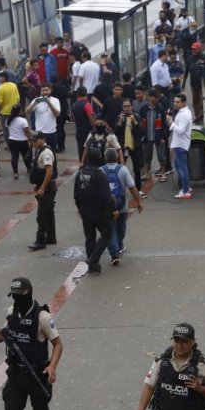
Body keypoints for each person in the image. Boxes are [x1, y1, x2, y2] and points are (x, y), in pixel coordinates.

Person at [0, 277, 63, 410]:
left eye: (20, 295)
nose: (17, 300)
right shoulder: (11, 313)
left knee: (40, 409)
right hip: (16, 373)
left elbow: (58, 344)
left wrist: (52, 367)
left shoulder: (43, 317)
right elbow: (4, 334)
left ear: (29, 292)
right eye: (14, 296)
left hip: (37, 372)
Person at [74, 146, 118, 275]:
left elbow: (76, 194)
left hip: (85, 210)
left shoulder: (80, 173)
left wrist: (79, 208)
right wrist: (114, 209)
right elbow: (106, 196)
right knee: (106, 234)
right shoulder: (99, 174)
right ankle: (93, 259)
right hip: (99, 211)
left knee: (89, 237)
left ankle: (93, 267)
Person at [101, 147, 144, 265]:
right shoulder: (123, 170)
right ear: (116, 158)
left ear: (105, 158)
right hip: (122, 206)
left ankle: (114, 253)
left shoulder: (101, 170)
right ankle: (119, 247)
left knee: (111, 229)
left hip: (107, 206)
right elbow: (132, 187)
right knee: (121, 228)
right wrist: (139, 202)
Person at [27, 132, 57, 251]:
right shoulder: (39, 150)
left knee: (42, 214)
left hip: (47, 188)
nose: (33, 143)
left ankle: (40, 240)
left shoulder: (46, 153)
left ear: (42, 139)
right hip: (45, 186)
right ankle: (51, 237)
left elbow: (49, 172)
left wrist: (42, 188)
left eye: (35, 140)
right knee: (48, 213)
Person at [139, 89, 171, 182]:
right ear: (150, 98)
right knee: (147, 156)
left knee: (161, 156)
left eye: (157, 97)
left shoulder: (160, 109)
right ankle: (146, 173)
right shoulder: (143, 109)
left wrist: (163, 137)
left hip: (158, 136)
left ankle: (163, 173)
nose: (157, 99)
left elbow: (164, 124)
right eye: (155, 97)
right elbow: (141, 123)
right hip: (147, 136)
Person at [169, 93, 193, 199]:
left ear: (183, 103)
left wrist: (171, 123)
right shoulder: (183, 112)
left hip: (181, 144)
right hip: (180, 143)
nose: (175, 104)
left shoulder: (184, 114)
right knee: (177, 165)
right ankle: (186, 186)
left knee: (182, 168)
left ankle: (186, 190)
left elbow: (180, 130)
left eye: (178, 102)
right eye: (174, 101)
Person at [28, 84, 61, 150]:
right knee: (39, 152)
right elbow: (27, 111)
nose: (45, 92)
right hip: (39, 133)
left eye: (46, 90)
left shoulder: (55, 100)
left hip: (51, 132)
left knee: (52, 152)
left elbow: (57, 114)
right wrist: (34, 103)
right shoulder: (36, 100)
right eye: (43, 90)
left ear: (50, 90)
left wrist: (49, 103)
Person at [6, 103, 31, 180]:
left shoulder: (9, 120)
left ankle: (15, 173)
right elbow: (26, 132)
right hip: (22, 141)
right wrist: (30, 139)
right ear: (20, 111)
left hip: (12, 140)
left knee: (14, 157)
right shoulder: (23, 121)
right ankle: (29, 169)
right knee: (26, 156)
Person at [70, 87, 97, 152]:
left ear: (77, 95)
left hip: (78, 131)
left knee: (80, 150)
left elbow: (73, 117)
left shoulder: (74, 105)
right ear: (86, 94)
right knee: (88, 151)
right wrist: (95, 129)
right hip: (87, 132)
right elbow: (91, 119)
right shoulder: (87, 104)